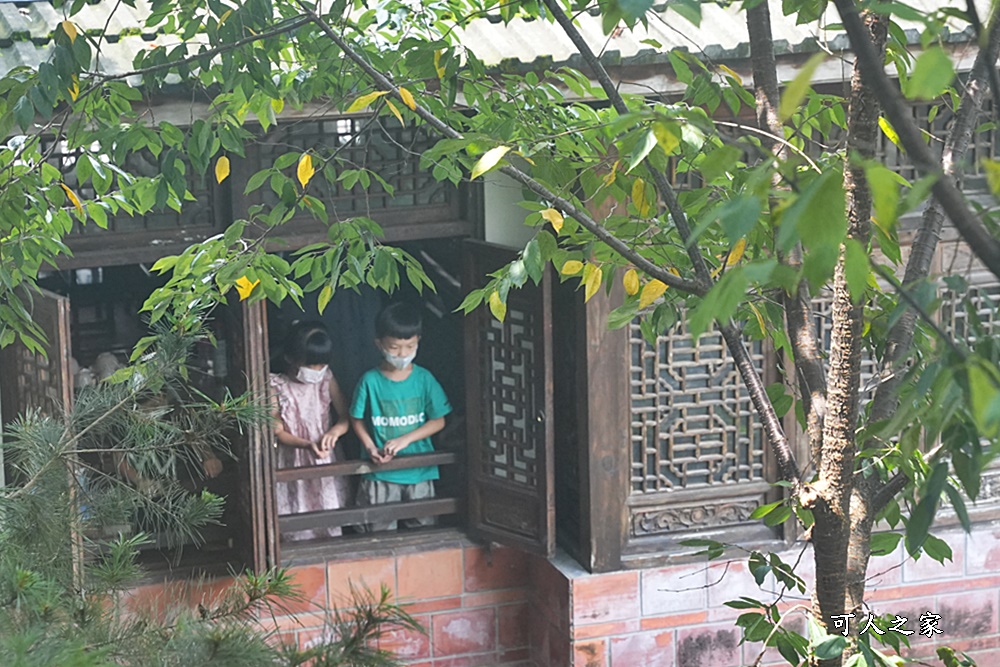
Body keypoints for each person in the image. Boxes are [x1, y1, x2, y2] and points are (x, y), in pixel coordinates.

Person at [350, 302, 452, 531]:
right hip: (380, 474)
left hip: (419, 470)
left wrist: (406, 439)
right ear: (379, 344)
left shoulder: (425, 379)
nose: (403, 354)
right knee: (378, 533)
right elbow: (356, 419)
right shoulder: (370, 381)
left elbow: (439, 420)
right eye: (395, 347)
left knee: (423, 532)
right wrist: (369, 447)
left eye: (410, 346)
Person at [270, 322, 351, 540]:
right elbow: (277, 430)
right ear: (290, 358)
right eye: (311, 365)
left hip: (324, 456)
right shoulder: (276, 386)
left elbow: (345, 417)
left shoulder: (326, 378)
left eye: (321, 365)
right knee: (297, 519)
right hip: (293, 458)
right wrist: (306, 444)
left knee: (328, 517)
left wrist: (334, 433)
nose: (317, 371)